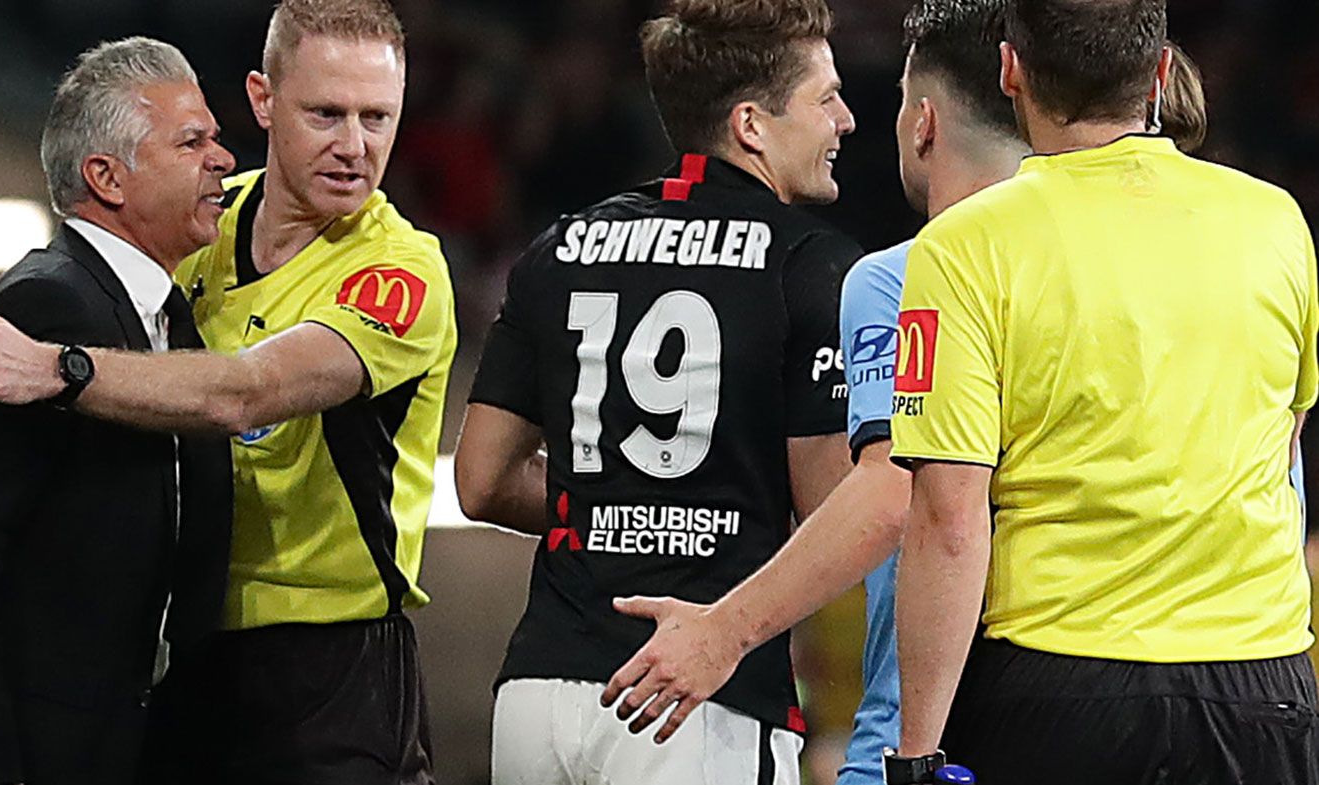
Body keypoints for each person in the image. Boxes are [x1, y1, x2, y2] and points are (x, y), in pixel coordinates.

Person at [0, 1, 455, 782]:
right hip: (180, 652)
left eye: (378, 117)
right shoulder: (198, 228)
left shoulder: (401, 271)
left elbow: (247, 391)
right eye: (327, 113)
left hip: (327, 670)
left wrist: (61, 371)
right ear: (263, 101)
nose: (355, 145)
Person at [889, 1, 1319, 783]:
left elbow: (949, 518)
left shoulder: (961, 248)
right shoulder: (1277, 223)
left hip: (1060, 685)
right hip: (1260, 684)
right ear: (1159, 76)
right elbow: (1282, 445)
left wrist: (917, 753)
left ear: (1010, 68)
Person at [597, 2, 1026, 781]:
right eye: (827, 99)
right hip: (1144, 693)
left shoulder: (897, 278)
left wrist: (723, 626)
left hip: (928, 726)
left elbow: (888, 497)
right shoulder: (1162, 271)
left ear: (923, 123)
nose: (854, 122)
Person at [453, 0, 859, 781]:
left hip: (538, 690)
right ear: (751, 125)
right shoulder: (811, 266)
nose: (843, 119)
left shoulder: (559, 247)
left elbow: (481, 479)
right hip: (696, 700)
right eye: (824, 97)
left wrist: (615, 508)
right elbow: (833, 511)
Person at [0, 37, 234, 785]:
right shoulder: (49, 302)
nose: (223, 159)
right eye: (193, 141)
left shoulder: (168, 315)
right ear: (107, 176)